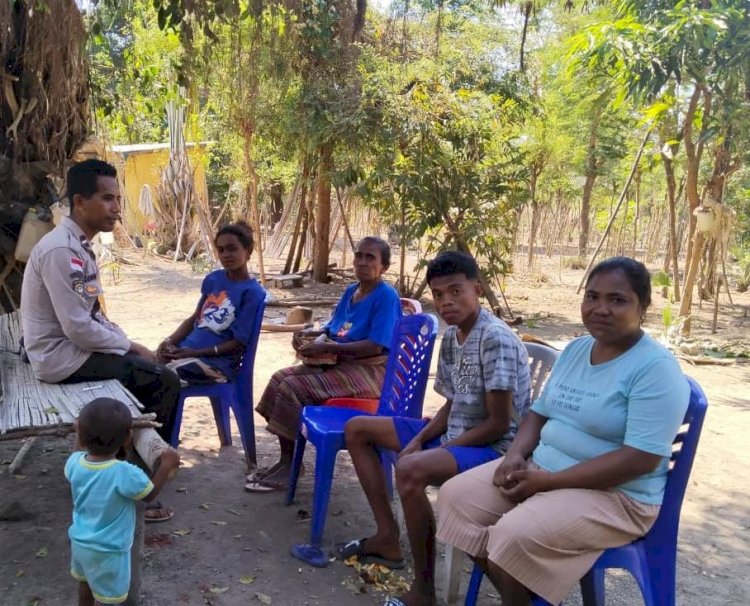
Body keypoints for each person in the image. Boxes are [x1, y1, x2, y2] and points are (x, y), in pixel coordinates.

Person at [436, 256, 690, 606]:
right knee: (456, 498)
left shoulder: (655, 369)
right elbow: (538, 414)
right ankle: (521, 595)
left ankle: (518, 589)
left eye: (617, 300)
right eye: (592, 296)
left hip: (617, 495)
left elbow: (641, 459)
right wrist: (515, 455)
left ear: (642, 306)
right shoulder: (576, 350)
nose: (600, 309)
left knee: (511, 535)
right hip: (543, 470)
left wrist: (549, 483)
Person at [336, 251, 531, 606]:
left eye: (456, 291)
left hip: (496, 450)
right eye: (439, 295)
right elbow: (452, 403)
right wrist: (422, 438)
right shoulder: (453, 337)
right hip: (455, 435)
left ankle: (423, 591)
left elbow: (499, 424)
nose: (447, 302)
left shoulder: (494, 338)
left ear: (478, 288)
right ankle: (386, 537)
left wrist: (434, 449)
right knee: (358, 429)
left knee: (409, 471)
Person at [20, 159, 180, 522]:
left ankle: (117, 468)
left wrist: (127, 342)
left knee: (145, 369)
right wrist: (131, 347)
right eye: (108, 199)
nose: (117, 208)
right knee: (163, 381)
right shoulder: (62, 251)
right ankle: (142, 485)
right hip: (61, 358)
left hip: (72, 349)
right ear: (80, 202)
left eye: (118, 198)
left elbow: (93, 315)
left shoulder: (78, 246)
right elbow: (78, 328)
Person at [248, 237, 402, 492]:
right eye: (359, 255)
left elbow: (375, 346)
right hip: (342, 363)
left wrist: (327, 347)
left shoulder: (386, 296)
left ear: (383, 266)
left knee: (293, 388)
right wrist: (309, 338)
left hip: (372, 372)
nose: (362, 262)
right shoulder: (351, 291)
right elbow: (331, 328)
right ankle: (288, 461)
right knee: (278, 380)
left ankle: (289, 469)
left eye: (370, 258)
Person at [66, 398, 180, 606]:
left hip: (80, 543)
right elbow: (149, 494)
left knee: (85, 585)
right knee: (108, 598)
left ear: (81, 436)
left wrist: (78, 433)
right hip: (109, 551)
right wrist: (166, 464)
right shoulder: (124, 472)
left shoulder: (75, 463)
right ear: (128, 437)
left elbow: (77, 451)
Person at [156, 221, 266, 385]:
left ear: (248, 251)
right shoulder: (214, 280)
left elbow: (238, 344)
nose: (225, 254)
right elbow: (195, 318)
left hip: (215, 365)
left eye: (232, 248)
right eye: (220, 250)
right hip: (186, 354)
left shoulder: (252, 293)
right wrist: (168, 341)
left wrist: (196, 353)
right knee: (141, 362)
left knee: (157, 375)